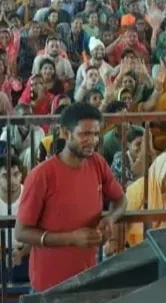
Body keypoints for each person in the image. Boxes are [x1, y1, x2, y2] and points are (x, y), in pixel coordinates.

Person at [15, 102, 126, 292]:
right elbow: (21, 232)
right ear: (66, 133)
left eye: (95, 134)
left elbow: (121, 200)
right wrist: (72, 239)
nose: (92, 141)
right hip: (48, 283)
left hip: (87, 276)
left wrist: (109, 219)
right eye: (84, 134)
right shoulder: (42, 175)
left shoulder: (97, 163)